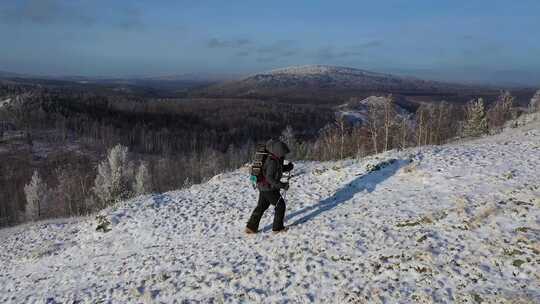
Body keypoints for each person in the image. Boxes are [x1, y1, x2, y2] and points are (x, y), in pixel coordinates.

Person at [246, 139, 293, 234]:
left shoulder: (273, 158)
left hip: (263, 187)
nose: (284, 155)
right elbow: (270, 178)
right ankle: (277, 228)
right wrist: (282, 185)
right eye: (283, 153)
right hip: (268, 188)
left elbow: (276, 170)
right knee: (280, 205)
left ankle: (251, 227)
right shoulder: (272, 161)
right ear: (278, 152)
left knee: (262, 206)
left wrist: (287, 168)